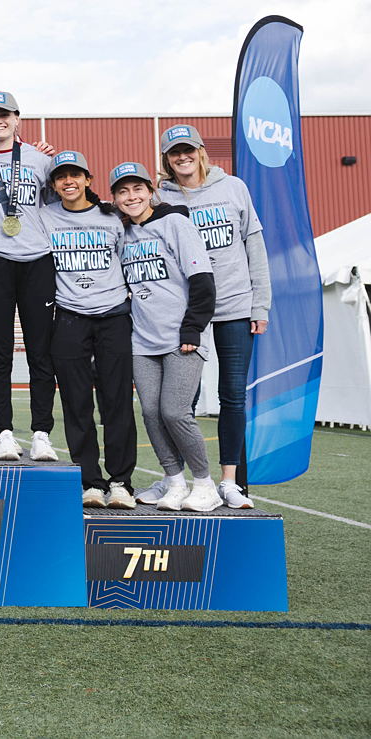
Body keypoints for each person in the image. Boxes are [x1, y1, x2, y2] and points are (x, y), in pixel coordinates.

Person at [156, 124, 270, 508]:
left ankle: (228, 481)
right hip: (187, 313)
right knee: (180, 402)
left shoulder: (233, 187)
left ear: (202, 151)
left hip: (236, 306)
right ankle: (185, 481)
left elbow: (254, 245)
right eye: (174, 153)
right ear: (167, 160)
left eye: (188, 150)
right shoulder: (161, 196)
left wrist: (261, 304)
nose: (182, 157)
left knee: (232, 395)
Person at [111, 162, 219, 511]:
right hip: (142, 340)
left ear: (150, 191)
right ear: (115, 198)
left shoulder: (175, 223)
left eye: (137, 189)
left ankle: (204, 484)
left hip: (180, 337)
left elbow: (202, 278)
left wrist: (193, 328)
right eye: (123, 191)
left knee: (175, 412)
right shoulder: (123, 233)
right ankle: (174, 482)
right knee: (152, 414)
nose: (131, 196)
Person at [0, 91, 56, 463]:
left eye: (5, 115)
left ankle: (41, 433)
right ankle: (2, 432)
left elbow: (57, 204)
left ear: (18, 118)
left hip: (37, 260)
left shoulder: (41, 160)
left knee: (40, 353)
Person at [43, 152, 136, 507]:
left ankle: (121, 481)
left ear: (87, 179)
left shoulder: (113, 217)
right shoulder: (44, 216)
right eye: (61, 176)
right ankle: (89, 482)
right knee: (76, 403)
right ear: (53, 185)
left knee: (116, 402)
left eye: (75, 175)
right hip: (68, 317)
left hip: (113, 316)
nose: (69, 181)